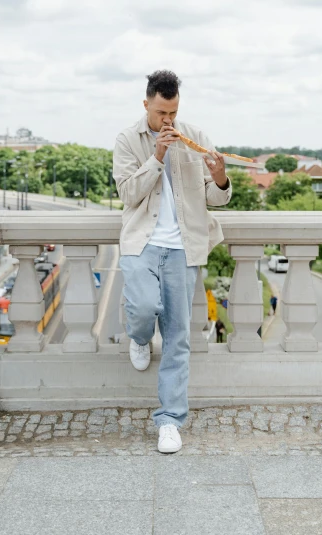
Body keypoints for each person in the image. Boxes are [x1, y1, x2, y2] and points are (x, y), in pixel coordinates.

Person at [113, 69, 232, 453]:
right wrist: (158, 154)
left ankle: (169, 421)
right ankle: (140, 336)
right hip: (142, 242)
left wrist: (220, 178)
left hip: (185, 246)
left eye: (174, 113)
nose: (169, 121)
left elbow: (216, 200)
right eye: (162, 113)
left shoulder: (196, 137)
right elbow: (129, 194)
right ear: (146, 103)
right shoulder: (128, 140)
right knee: (143, 307)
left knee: (179, 336)